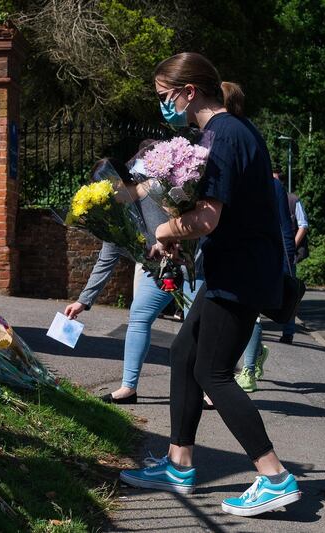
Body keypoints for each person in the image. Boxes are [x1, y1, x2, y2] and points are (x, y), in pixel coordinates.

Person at [119, 52, 301, 517]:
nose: (163, 105)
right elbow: (217, 215)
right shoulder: (228, 132)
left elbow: (210, 217)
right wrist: (182, 233)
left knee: (213, 371)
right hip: (235, 269)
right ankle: (179, 464)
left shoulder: (221, 138)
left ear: (188, 91)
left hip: (240, 274)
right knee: (184, 355)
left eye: (165, 96)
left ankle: (274, 475)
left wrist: (162, 230)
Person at [63, 159, 203, 404]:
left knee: (197, 325)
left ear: (121, 181)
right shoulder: (120, 216)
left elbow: (195, 220)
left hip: (195, 267)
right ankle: (128, 387)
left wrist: (178, 245)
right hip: (160, 271)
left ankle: (208, 388)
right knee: (139, 316)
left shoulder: (159, 190)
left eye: (110, 191)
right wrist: (83, 301)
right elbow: (106, 259)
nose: (109, 199)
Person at [235, 174, 295, 392]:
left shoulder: (272, 184)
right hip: (232, 257)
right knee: (239, 316)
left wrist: (287, 263)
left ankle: (248, 371)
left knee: (253, 316)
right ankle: (258, 352)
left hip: (261, 259)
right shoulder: (231, 177)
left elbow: (283, 225)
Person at [278, 177, 309, 344]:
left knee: (289, 292)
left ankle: (288, 332)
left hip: (286, 253)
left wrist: (290, 246)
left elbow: (303, 225)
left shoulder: (292, 199)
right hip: (269, 251)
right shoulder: (264, 195)